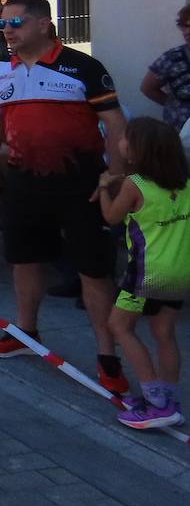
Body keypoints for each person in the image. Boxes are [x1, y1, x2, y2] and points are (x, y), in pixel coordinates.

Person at [0, 0, 130, 395]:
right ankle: (26, 333)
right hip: (23, 183)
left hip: (82, 185)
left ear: (44, 24)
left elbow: (116, 126)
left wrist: (115, 177)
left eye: (15, 24)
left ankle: (107, 354)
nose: (7, 31)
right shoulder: (0, 73)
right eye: (2, 25)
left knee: (93, 269)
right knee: (24, 259)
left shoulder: (84, 68)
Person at [96, 117, 190, 429]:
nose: (120, 142)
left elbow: (111, 217)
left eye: (126, 139)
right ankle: (170, 396)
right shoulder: (185, 182)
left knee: (118, 326)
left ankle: (156, 402)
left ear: (139, 151)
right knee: (164, 332)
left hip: (147, 271)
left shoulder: (134, 185)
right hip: (180, 270)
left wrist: (105, 188)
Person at [140, 3, 190, 133]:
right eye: (184, 26)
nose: (187, 31)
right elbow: (148, 88)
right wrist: (175, 106)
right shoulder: (172, 58)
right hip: (180, 134)